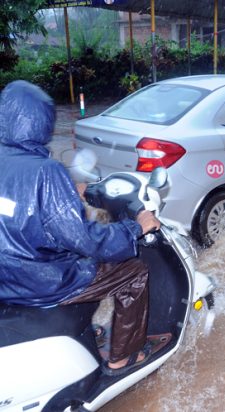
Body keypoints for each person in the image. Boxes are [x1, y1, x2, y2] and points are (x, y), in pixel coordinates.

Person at [0, 81, 163, 376]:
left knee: (91, 264)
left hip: (7, 279)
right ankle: (123, 358)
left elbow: (16, 207)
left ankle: (87, 330)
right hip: (42, 283)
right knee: (132, 271)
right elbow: (86, 240)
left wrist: (69, 191)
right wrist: (135, 227)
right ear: (43, 123)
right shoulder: (46, 172)